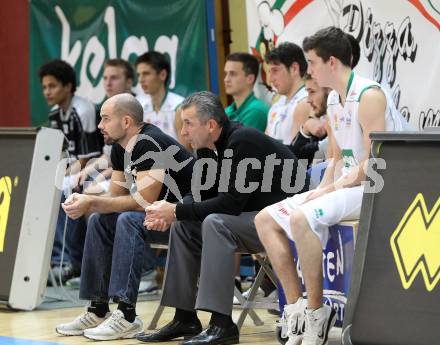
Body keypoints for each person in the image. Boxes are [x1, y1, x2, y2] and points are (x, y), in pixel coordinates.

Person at [254, 26, 410, 345]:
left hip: (381, 187)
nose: (308, 70)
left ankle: (316, 313)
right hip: (349, 185)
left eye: (311, 62)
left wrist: (333, 188)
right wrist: (324, 187)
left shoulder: (369, 96)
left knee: (301, 218)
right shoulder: (334, 100)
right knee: (265, 219)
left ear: (332, 62)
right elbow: (337, 158)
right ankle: (295, 308)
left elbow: (376, 162)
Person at [137, 91, 307, 345]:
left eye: (188, 123)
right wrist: (171, 211)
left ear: (212, 125)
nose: (183, 132)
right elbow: (200, 196)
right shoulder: (207, 148)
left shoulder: (243, 141)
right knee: (184, 226)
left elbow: (230, 202)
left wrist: (175, 211)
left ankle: (222, 324)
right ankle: (184, 317)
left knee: (215, 223)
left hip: (283, 219)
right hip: (252, 217)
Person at [55, 93, 195, 341]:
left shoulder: (149, 143)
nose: (100, 126)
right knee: (99, 219)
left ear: (127, 121)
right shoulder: (120, 148)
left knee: (127, 219)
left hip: (188, 219)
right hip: (158, 217)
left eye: (105, 119)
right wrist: (87, 200)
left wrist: (93, 202)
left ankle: (127, 314)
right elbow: (115, 196)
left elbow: (143, 202)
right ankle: (97, 309)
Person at [39, 59, 100, 282]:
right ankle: (52, 259)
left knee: (65, 188)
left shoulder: (82, 110)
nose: (47, 91)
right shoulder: (55, 113)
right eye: (44, 87)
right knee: (44, 187)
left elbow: (87, 157)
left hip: (95, 167)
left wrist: (61, 175)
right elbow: (59, 153)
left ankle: (70, 261)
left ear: (67, 86)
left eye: (52, 86)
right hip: (70, 169)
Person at [265, 42, 311, 144]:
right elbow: (265, 146)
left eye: (275, 71)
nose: (271, 79)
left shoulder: (305, 102)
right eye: (269, 72)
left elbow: (296, 154)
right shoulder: (275, 106)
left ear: (294, 68)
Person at [135, 51, 185, 143]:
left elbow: (187, 153)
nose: (141, 80)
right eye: (139, 75)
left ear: (162, 75)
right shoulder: (138, 107)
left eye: (146, 73)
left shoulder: (179, 107)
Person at [224, 52, 269, 131]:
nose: (226, 79)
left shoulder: (257, 111)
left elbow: (239, 143)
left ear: (250, 79)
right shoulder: (227, 111)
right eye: (226, 74)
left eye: (233, 74)